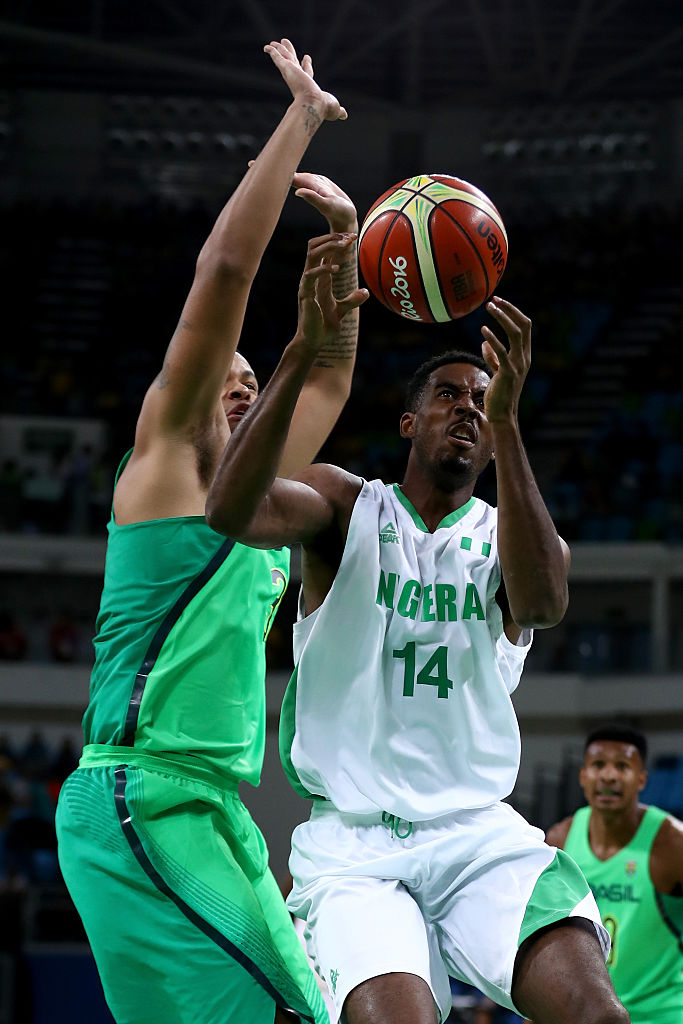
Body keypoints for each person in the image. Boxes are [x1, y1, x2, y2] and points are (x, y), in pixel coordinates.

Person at [205, 294, 630, 1024]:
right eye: (447, 395)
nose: (467, 407)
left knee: (599, 1017)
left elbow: (542, 604)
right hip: (353, 844)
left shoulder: (512, 538)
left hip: (477, 833)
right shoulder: (345, 507)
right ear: (409, 422)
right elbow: (231, 510)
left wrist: (509, 421)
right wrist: (301, 351)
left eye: (481, 399)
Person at [55, 38, 367, 1024]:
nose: (240, 382)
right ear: (181, 400)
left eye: (250, 376)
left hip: (212, 811)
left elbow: (323, 378)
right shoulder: (167, 471)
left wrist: (352, 239)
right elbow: (227, 267)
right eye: (222, 377)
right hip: (140, 797)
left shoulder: (254, 495)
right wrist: (301, 118)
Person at [540, 724, 683, 1024]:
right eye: (598, 765)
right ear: (583, 776)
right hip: (589, 1013)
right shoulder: (561, 840)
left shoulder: (672, 844)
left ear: (642, 778)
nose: (609, 776)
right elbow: (543, 932)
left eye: (622, 766)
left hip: (663, 1014)